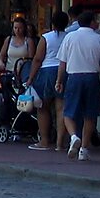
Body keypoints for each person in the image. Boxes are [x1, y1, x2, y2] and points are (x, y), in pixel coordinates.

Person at [56, 11, 100, 162]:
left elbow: (63, 62)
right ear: (92, 22)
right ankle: (84, 149)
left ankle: (74, 136)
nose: (98, 23)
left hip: (74, 76)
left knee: (68, 112)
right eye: (96, 20)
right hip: (92, 77)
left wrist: (59, 80)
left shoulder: (69, 37)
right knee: (90, 114)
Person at [28, 11, 70, 151]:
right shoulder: (69, 37)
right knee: (61, 108)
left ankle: (44, 141)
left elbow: (38, 59)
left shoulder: (46, 37)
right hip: (64, 71)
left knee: (43, 107)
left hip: (47, 72)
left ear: (52, 23)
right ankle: (60, 143)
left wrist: (31, 77)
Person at [0, 17, 33, 131]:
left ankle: (19, 123)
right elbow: (1, 54)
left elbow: (31, 59)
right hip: (8, 72)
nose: (17, 31)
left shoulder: (28, 41)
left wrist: (23, 63)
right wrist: (0, 62)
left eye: (20, 28)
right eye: (15, 28)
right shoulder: (9, 40)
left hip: (21, 74)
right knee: (2, 94)